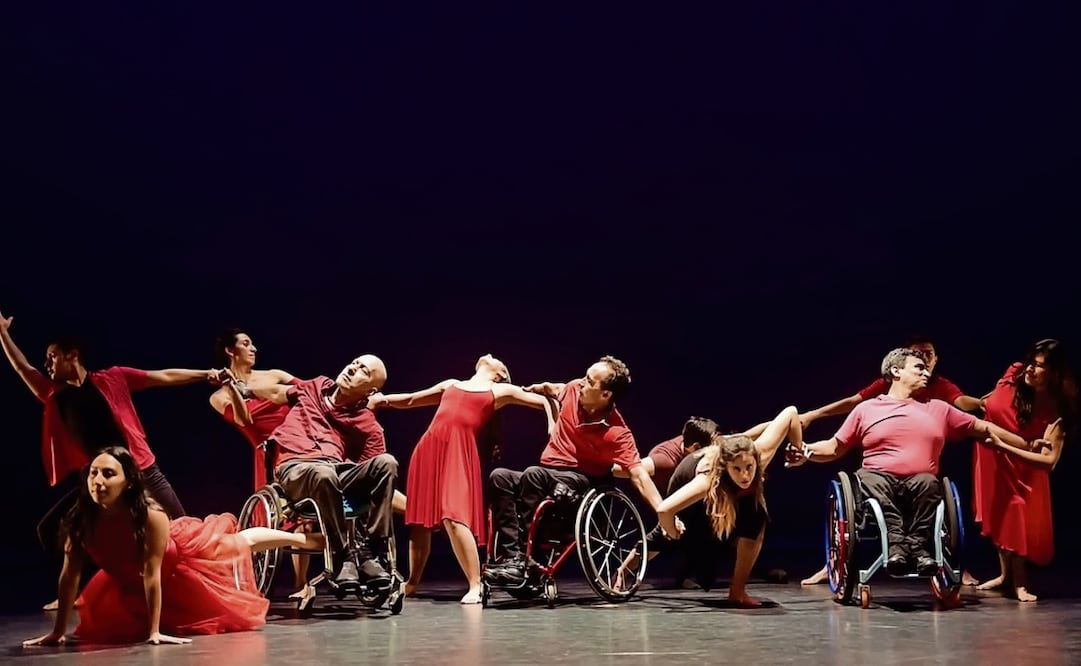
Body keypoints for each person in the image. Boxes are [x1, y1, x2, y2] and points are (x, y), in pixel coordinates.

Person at [1, 309, 215, 608]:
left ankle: (210, 584)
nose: (46, 363)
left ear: (71, 355)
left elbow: (162, 376)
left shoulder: (113, 378)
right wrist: (3, 333)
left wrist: (205, 374)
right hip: (103, 483)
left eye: (52, 356)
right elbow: (23, 369)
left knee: (183, 526)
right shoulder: (54, 395)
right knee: (51, 529)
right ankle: (83, 589)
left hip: (142, 472)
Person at [22, 447, 325, 647]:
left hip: (179, 563)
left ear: (128, 482)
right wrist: (58, 631)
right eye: (93, 473)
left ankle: (300, 539)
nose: (97, 481)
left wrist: (154, 631)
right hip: (130, 584)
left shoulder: (150, 515)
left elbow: (151, 572)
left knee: (237, 542)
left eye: (108, 474)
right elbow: (69, 577)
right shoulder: (79, 519)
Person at [789, 347, 1038, 577]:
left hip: (921, 484)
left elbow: (984, 428)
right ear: (896, 371)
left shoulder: (939, 409)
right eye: (918, 367)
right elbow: (834, 447)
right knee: (873, 482)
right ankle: (898, 547)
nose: (926, 372)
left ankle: (918, 549)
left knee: (929, 483)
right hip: (877, 478)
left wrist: (1025, 444)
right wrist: (807, 451)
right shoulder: (866, 409)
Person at [367, 353, 556, 604]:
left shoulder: (498, 391)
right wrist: (382, 401)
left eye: (497, 358)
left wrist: (552, 423)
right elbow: (412, 399)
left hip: (458, 451)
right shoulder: (451, 384)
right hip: (429, 450)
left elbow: (542, 400)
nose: (489, 354)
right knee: (419, 522)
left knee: (453, 516)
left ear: (499, 374)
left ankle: (475, 584)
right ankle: (412, 583)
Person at [482, 355, 666, 587]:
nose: (581, 382)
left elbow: (639, 475)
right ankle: (512, 557)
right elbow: (553, 388)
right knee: (500, 477)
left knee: (534, 474)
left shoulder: (617, 432)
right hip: (547, 475)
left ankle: (527, 560)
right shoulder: (572, 389)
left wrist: (664, 511)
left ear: (605, 394)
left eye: (589, 381)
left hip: (582, 482)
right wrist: (537, 388)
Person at [615, 407, 802, 606]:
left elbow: (791, 413)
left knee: (756, 516)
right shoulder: (709, 478)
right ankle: (621, 571)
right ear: (725, 467)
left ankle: (737, 592)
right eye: (736, 470)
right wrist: (671, 529)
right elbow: (664, 510)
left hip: (722, 493)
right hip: (689, 493)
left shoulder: (761, 454)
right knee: (666, 537)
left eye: (749, 468)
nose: (745, 476)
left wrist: (796, 450)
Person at [255, 354, 398, 591]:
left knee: (387, 463)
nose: (353, 368)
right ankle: (342, 554)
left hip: (335, 471)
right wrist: (244, 388)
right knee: (323, 474)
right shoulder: (314, 387)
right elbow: (273, 392)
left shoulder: (367, 424)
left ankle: (370, 552)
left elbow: (373, 482)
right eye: (354, 362)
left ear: (371, 391)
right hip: (295, 468)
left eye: (363, 370)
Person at [972, 338, 1076, 602]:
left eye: (1039, 366)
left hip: (1020, 467)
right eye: (1031, 362)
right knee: (995, 514)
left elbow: (1048, 462)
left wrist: (1005, 446)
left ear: (1053, 373)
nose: (1030, 369)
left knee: (1014, 511)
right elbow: (991, 402)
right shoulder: (1014, 373)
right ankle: (1005, 576)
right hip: (989, 456)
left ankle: (1020, 581)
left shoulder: (1055, 410)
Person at [613, 416, 719, 495]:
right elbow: (632, 470)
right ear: (696, 447)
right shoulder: (665, 461)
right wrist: (604, 468)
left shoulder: (689, 439)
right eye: (712, 446)